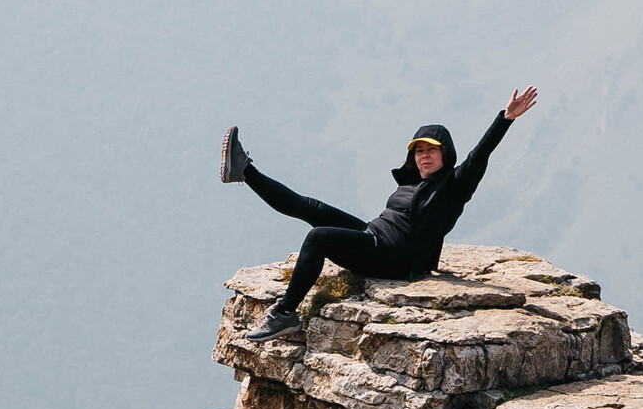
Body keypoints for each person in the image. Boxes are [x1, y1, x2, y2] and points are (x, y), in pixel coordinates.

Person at [221, 88, 539, 336]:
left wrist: (505, 119)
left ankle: (285, 313)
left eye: (432, 150)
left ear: (446, 154)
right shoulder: (414, 183)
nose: (425, 156)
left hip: (391, 259)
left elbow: (478, 156)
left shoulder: (453, 186)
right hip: (374, 238)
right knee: (311, 208)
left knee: (317, 238)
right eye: (419, 150)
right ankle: (245, 171)